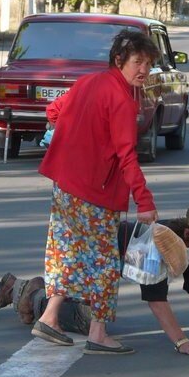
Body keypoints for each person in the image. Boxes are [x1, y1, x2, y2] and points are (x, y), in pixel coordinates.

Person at [31, 29, 160, 355]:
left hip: (64, 184)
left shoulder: (88, 82)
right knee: (103, 261)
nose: (143, 70)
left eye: (147, 63)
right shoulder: (121, 100)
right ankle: (98, 333)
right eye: (137, 62)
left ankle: (49, 316)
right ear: (119, 60)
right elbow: (126, 156)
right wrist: (144, 200)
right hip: (94, 192)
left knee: (67, 252)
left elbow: (54, 112)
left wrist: (80, 136)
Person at [0, 203, 189, 357]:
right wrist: (181, 342)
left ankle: (39, 293)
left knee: (88, 315)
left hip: (106, 267)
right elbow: (156, 299)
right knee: (82, 320)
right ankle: (25, 291)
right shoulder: (160, 244)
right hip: (95, 257)